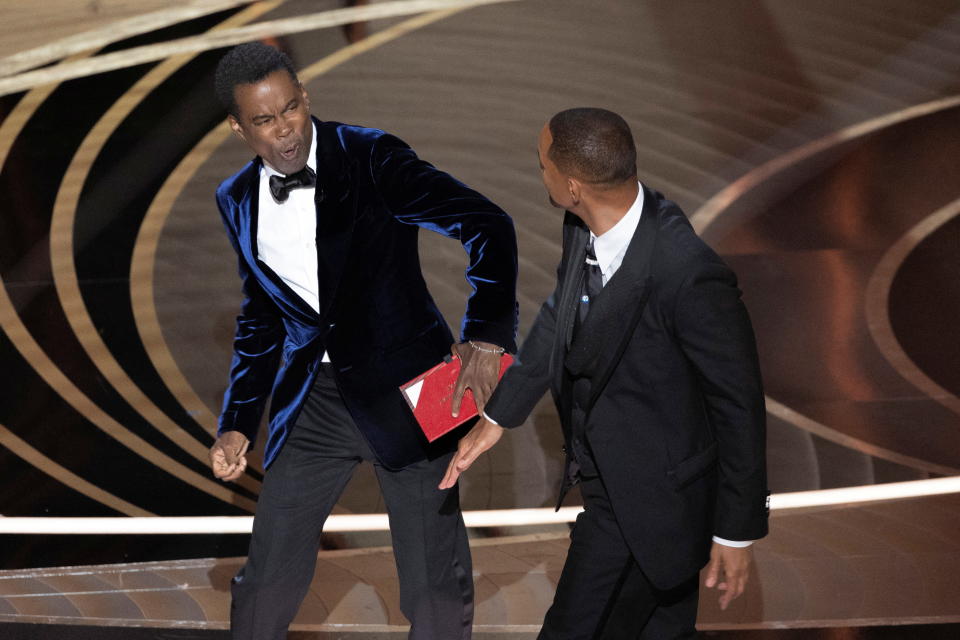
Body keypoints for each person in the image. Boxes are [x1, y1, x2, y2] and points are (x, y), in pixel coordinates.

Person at [208, 42, 518, 640]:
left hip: (417, 390)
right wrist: (239, 419)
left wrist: (485, 334)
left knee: (431, 581)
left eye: (291, 109)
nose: (285, 131)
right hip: (314, 405)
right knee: (268, 575)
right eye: (265, 121)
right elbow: (262, 316)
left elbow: (487, 223)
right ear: (237, 125)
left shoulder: (372, 155)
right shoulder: (237, 199)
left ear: (306, 97)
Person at [441, 108, 768, 638]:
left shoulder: (689, 274)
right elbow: (560, 313)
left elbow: (740, 405)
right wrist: (501, 413)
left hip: (652, 501)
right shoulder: (583, 224)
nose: (539, 173)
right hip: (613, 482)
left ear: (571, 186)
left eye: (541, 165)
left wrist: (736, 534)